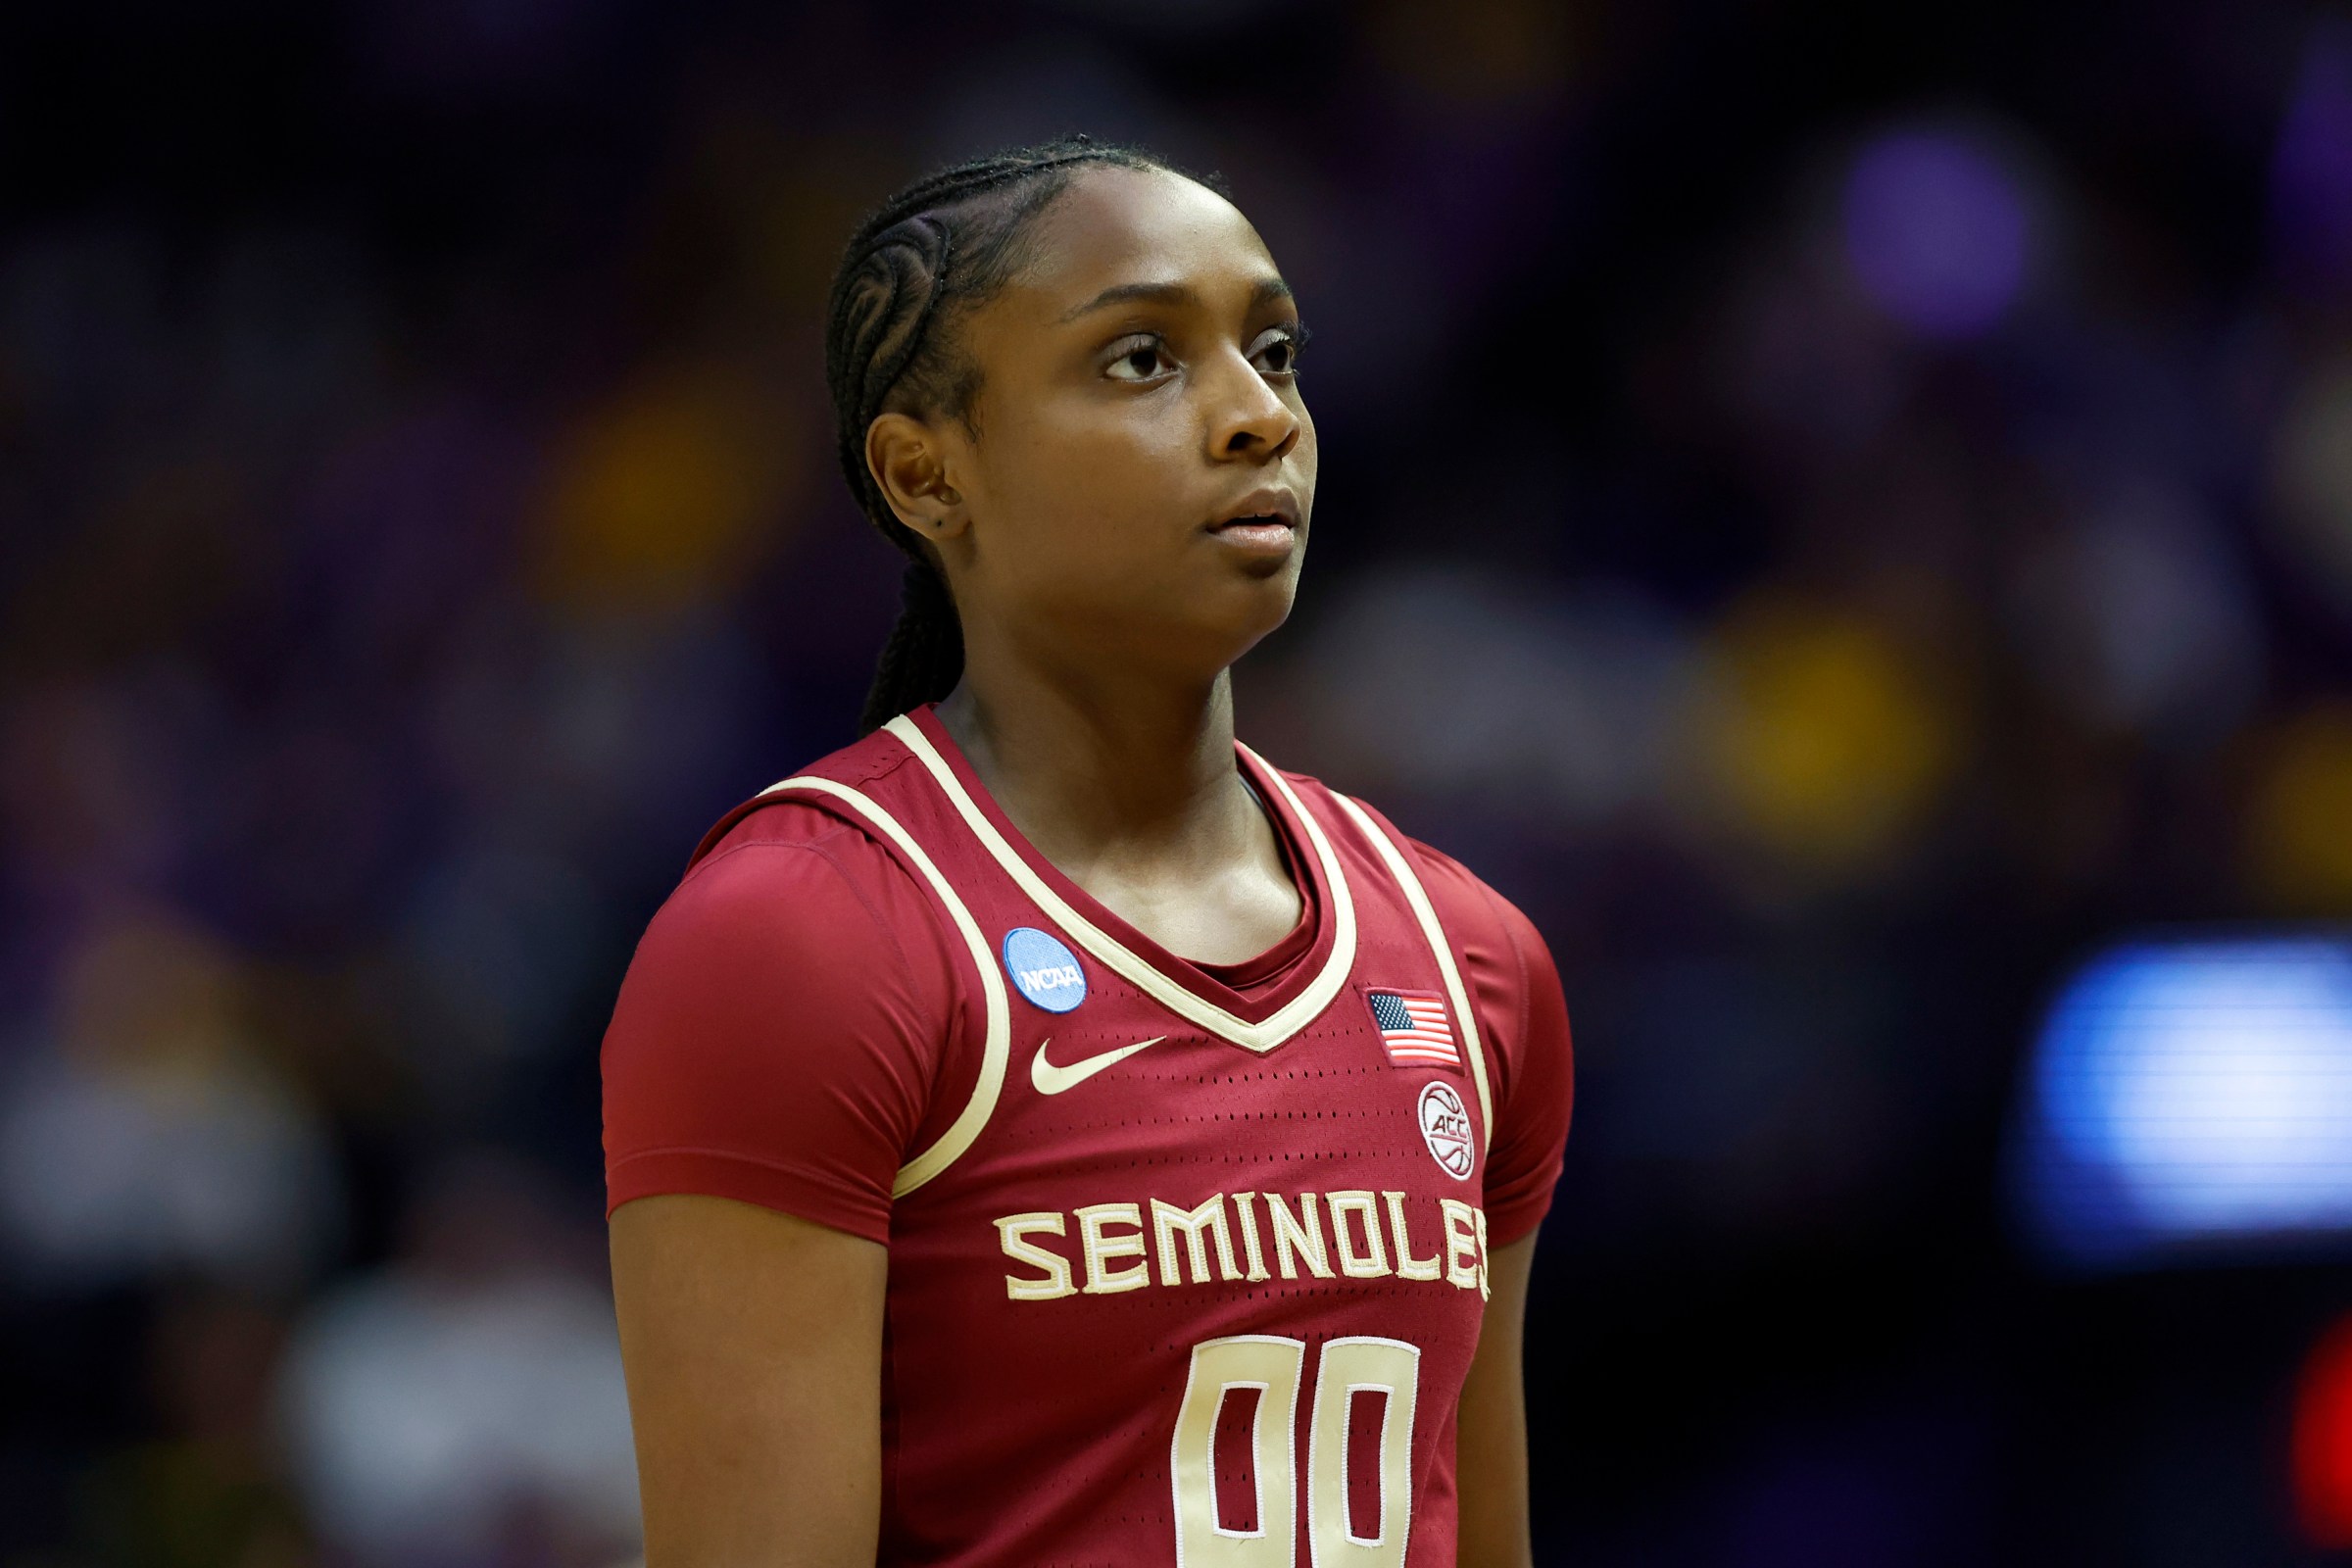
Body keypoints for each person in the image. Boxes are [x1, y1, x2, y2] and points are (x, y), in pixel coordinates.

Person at [600, 136, 1574, 1568]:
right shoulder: (801, 938)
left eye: (1279, 351)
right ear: (928, 475)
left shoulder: (1470, 958)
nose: (1259, 418)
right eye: (1141, 361)